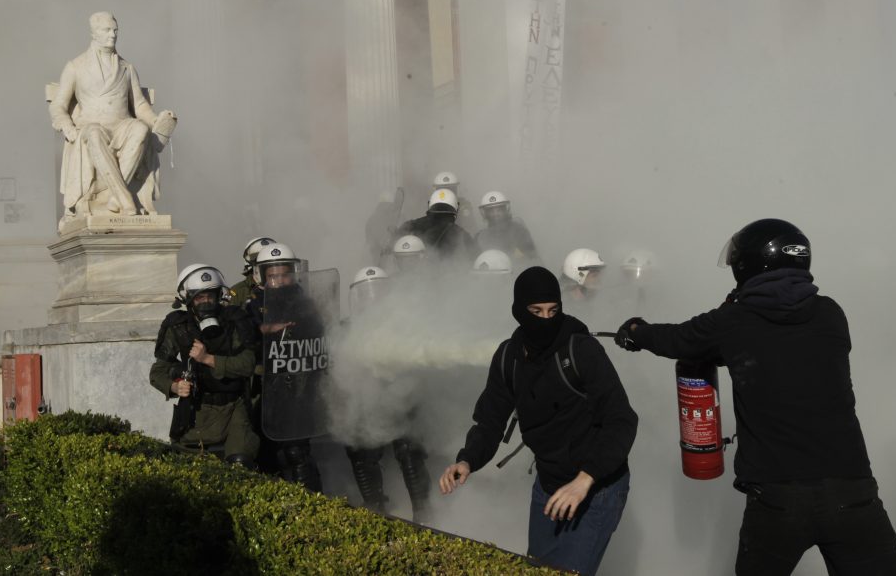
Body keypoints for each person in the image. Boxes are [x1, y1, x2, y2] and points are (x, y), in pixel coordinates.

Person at [614, 219, 896, 576]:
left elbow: (680, 340)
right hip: (853, 491)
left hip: (778, 500)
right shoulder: (831, 314)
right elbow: (778, 344)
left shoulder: (733, 322)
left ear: (748, 264)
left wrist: (636, 333)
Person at [439, 266, 637, 575]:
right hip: (548, 486)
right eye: (536, 311)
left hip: (597, 489)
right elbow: (490, 421)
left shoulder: (581, 350)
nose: (545, 319)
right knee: (535, 569)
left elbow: (622, 420)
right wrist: (467, 460)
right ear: (519, 312)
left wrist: (585, 480)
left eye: (552, 310)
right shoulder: (508, 357)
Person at [49, 11, 178, 227]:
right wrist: (67, 126)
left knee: (140, 129)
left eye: (115, 30)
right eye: (106, 30)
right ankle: (124, 200)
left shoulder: (127, 68)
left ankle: (115, 198)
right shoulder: (75, 66)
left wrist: (157, 121)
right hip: (90, 128)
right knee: (93, 133)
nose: (113, 35)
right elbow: (59, 106)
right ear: (93, 34)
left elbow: (139, 105)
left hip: (122, 127)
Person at [342, 266, 434, 523]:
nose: (372, 298)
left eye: (379, 292)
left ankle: (422, 509)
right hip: (366, 400)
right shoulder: (348, 326)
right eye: (366, 293)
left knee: (409, 449)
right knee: (360, 448)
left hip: (401, 397)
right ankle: (374, 509)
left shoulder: (404, 323)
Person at [149, 264, 260, 467]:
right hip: (196, 411)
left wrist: (208, 359)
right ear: (188, 300)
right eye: (200, 297)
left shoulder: (235, 321)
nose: (206, 302)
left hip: (233, 408)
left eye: (211, 296)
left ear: (220, 296)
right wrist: (175, 386)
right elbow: (157, 372)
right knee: (188, 470)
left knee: (240, 463)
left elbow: (247, 364)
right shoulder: (178, 327)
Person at [252, 242, 325, 492]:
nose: (280, 281)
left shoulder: (305, 301)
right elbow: (242, 334)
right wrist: (266, 329)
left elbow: (319, 336)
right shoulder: (253, 304)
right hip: (263, 391)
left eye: (284, 275)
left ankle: (316, 505)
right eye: (273, 276)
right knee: (266, 455)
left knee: (297, 451)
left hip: (297, 388)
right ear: (261, 276)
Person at [395, 189, 477, 263]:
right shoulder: (462, 234)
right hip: (449, 277)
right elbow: (474, 257)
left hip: (415, 276)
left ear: (430, 204)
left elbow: (395, 248)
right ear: (456, 208)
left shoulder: (410, 226)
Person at [474, 191, 538, 261]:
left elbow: (531, 257)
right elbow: (474, 263)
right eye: (491, 211)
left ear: (505, 210)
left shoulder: (519, 232)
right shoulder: (480, 237)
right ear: (485, 214)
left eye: (499, 210)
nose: (495, 214)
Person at [228, 236, 276, 308]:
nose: (268, 267)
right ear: (252, 265)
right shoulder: (237, 292)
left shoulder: (287, 287)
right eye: (261, 262)